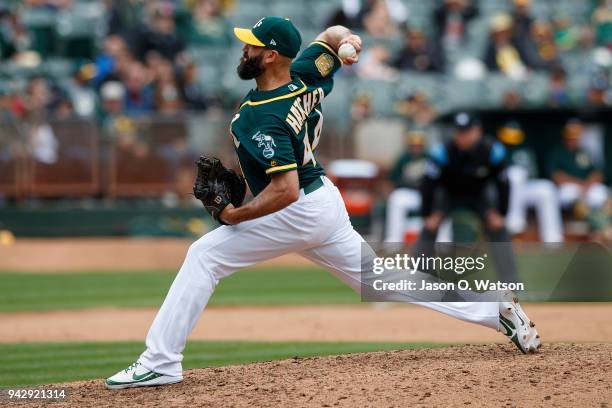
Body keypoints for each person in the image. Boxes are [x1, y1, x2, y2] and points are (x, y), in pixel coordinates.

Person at [105, 18, 540, 390]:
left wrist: (235, 214)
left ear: (271, 56)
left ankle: (160, 363)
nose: (244, 49)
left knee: (204, 255)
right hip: (322, 203)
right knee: (380, 282)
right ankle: (493, 307)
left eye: (252, 45)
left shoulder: (263, 114)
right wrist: (349, 42)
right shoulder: (305, 72)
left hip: (299, 207)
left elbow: (284, 189)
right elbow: (333, 34)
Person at [416, 112, 518, 283]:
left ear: (477, 131)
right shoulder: (442, 151)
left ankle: (511, 284)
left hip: (479, 195)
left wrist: (501, 213)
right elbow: (428, 184)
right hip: (449, 193)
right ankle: (419, 281)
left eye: (467, 131)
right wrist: (427, 214)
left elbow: (503, 183)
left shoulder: (492, 150)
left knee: (498, 229)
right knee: (429, 228)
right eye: (459, 132)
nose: (462, 136)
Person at [498, 121, 564, 242]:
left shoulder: (525, 149)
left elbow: (533, 174)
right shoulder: (497, 149)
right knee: (515, 174)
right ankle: (514, 223)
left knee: (547, 188)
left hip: (523, 189)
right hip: (502, 192)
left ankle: (553, 238)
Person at [550, 119, 609, 212]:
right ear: (565, 137)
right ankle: (576, 218)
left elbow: (597, 172)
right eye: (570, 137)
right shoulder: (558, 152)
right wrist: (579, 184)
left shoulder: (584, 151)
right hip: (570, 187)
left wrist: (588, 184)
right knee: (566, 195)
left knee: (601, 192)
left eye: (575, 137)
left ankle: (599, 218)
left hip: (586, 186)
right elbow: (556, 176)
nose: (573, 140)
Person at [385, 131, 428, 242]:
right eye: (413, 146)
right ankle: (394, 240)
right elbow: (393, 179)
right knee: (396, 200)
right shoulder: (403, 159)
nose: (416, 148)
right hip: (408, 192)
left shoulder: (429, 158)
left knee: (441, 203)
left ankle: (443, 244)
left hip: (425, 193)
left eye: (418, 146)